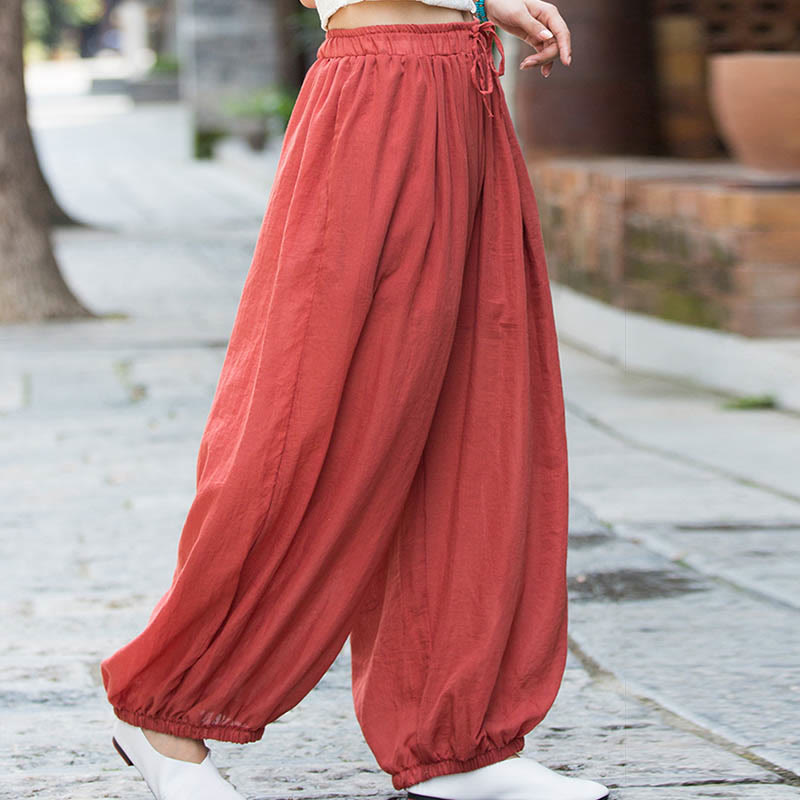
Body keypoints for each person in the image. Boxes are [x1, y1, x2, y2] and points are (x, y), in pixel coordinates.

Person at [100, 0, 610, 799]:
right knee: (315, 418)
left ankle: (454, 739)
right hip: (378, 91)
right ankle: (169, 708)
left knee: (473, 416)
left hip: (459, 86)